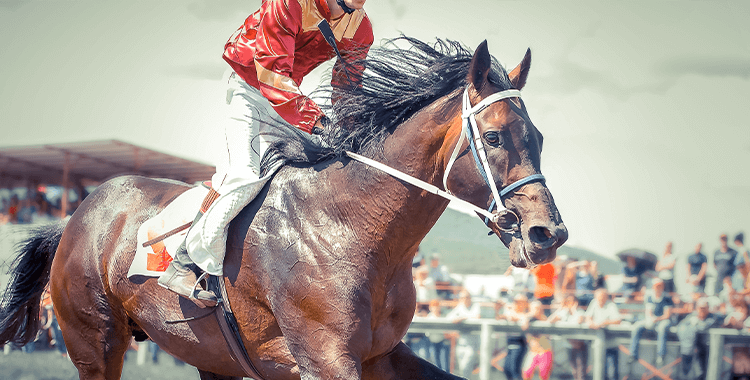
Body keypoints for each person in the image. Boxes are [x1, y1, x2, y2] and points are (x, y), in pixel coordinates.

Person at [158, 0, 374, 306]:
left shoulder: (361, 29)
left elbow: (347, 85)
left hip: (287, 100)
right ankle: (184, 263)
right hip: (249, 88)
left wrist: (352, 127)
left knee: (327, 162)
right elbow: (271, 72)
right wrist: (317, 121)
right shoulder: (288, 3)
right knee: (243, 174)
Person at [628, 278, 673, 366]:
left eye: (660, 286)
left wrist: (657, 319)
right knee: (637, 327)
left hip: (663, 320)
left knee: (662, 328)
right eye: (656, 286)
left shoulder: (667, 298)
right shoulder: (650, 297)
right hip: (653, 319)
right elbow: (649, 312)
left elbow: (667, 315)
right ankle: (633, 354)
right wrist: (652, 319)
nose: (658, 288)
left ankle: (661, 355)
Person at [676, 298, 720, 379]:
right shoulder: (692, 316)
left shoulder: (712, 317)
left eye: (704, 308)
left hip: (706, 348)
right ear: (697, 308)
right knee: (687, 370)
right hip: (690, 348)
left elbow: (703, 327)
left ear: (708, 308)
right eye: (700, 308)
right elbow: (680, 326)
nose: (702, 310)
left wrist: (694, 324)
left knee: (703, 371)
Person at [585, 288, 622, 380]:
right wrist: (591, 323)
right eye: (599, 298)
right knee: (600, 369)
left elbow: (618, 320)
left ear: (606, 298)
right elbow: (587, 317)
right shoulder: (594, 303)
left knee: (612, 371)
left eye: (602, 298)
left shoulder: (611, 305)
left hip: (611, 343)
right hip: (599, 343)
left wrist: (605, 322)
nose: (600, 300)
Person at [446, 290, 482, 377]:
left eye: (466, 297)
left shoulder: (475, 306)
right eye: (462, 297)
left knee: (466, 368)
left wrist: (462, 318)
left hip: (472, 344)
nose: (464, 299)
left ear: (470, 298)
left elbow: (477, 318)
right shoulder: (460, 307)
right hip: (461, 343)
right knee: (462, 370)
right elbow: (449, 318)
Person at [549, 296, 586, 380]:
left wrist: (574, 310)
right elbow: (550, 320)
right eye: (568, 301)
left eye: (571, 301)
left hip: (580, 345)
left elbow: (579, 321)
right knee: (574, 368)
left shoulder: (580, 312)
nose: (569, 303)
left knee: (581, 368)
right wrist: (560, 309)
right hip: (569, 344)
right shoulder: (564, 313)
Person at [501, 294, 531, 380]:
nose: (516, 304)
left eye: (519, 302)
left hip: (519, 344)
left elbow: (524, 325)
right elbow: (503, 317)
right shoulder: (511, 312)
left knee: (515, 371)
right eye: (515, 301)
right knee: (507, 369)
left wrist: (519, 317)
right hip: (510, 344)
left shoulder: (525, 314)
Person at [522, 301, 553, 380]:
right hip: (533, 351)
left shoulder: (543, 318)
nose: (537, 310)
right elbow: (523, 325)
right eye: (535, 308)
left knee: (543, 375)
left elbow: (543, 320)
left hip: (544, 350)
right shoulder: (528, 318)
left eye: (539, 308)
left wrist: (532, 316)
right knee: (526, 373)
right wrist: (529, 317)